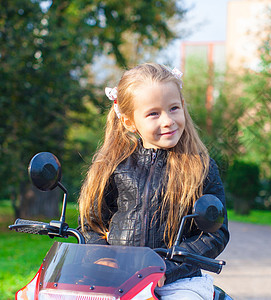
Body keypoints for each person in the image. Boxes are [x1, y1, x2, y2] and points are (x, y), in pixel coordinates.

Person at [77, 63, 229, 299]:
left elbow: (214, 233)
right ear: (129, 121)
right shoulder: (113, 166)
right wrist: (103, 258)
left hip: (178, 281)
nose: (167, 120)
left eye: (174, 108)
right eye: (154, 113)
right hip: (118, 278)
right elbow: (91, 222)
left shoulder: (201, 167)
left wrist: (168, 269)